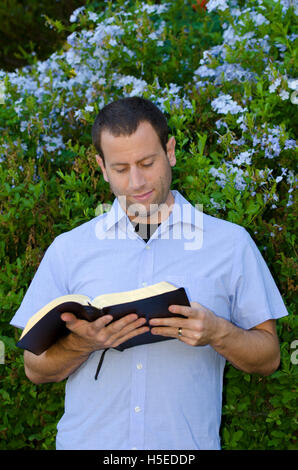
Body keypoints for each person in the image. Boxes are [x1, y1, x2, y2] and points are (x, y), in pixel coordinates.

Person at [10, 97, 288, 450]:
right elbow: (35, 369)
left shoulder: (230, 243)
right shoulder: (69, 248)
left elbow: (268, 358)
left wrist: (219, 332)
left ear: (169, 151)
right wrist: (85, 342)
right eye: (121, 168)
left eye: (147, 162)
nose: (136, 182)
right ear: (101, 166)